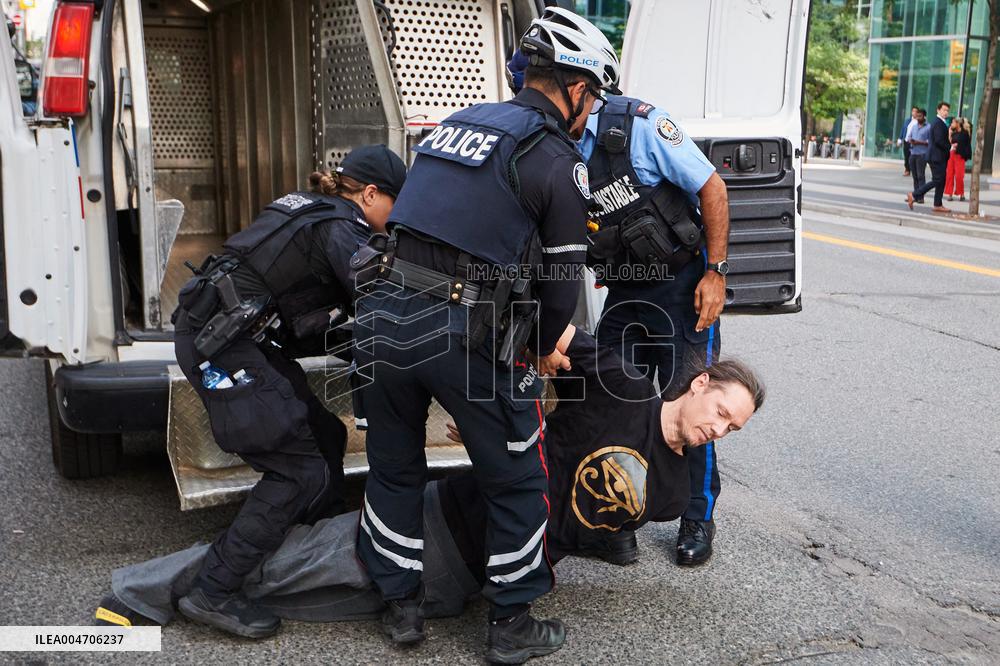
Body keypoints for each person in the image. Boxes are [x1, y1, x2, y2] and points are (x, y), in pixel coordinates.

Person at [96, 326, 764, 635]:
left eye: (732, 428)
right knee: (293, 561)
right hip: (439, 522)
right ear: (700, 384)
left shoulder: (674, 494)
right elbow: (549, 328)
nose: (720, 429)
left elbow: (578, 528)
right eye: (721, 411)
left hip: (462, 587)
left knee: (297, 603)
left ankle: (198, 599)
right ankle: (133, 596)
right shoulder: (621, 384)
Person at [349, 8, 621, 663]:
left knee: (393, 465)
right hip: (462, 332)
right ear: (575, 87)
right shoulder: (557, 160)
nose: (591, 112)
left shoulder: (458, 122)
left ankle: (401, 606)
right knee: (518, 475)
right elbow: (562, 285)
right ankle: (511, 623)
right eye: (593, 97)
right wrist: (541, 350)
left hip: (380, 317)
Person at [505, 49, 734, 567]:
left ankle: (697, 514)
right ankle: (614, 521)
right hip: (625, 290)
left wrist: (716, 273)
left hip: (682, 286)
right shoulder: (548, 140)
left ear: (575, 91)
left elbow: (712, 187)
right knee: (600, 395)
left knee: (691, 403)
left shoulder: (641, 127)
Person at [169, 145, 406, 639]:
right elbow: (381, 298)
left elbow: (302, 313)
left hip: (240, 336)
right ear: (369, 194)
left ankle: (311, 540)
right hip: (221, 345)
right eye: (396, 204)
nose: (398, 217)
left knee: (325, 436)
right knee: (298, 469)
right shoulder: (342, 227)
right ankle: (213, 589)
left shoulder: (314, 208)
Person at [907, 102, 951, 213]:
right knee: (937, 180)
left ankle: (937, 204)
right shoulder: (938, 123)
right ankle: (914, 194)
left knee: (941, 180)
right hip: (936, 157)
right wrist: (949, 146)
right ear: (938, 110)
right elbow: (939, 141)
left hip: (938, 156)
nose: (946, 112)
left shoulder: (940, 122)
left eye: (947, 110)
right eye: (944, 110)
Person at [945, 117, 972, 202]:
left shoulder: (964, 133)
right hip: (951, 155)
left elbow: (966, 145)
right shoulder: (953, 133)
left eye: (953, 123)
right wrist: (949, 134)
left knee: (959, 176)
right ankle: (949, 194)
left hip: (959, 155)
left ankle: (961, 193)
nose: (951, 124)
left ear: (958, 124)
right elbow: (950, 143)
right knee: (949, 174)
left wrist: (958, 145)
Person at [907, 108, 929, 202]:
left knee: (921, 176)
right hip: (913, 153)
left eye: (920, 116)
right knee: (915, 176)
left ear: (924, 116)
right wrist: (911, 140)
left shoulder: (929, 127)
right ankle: (915, 196)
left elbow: (930, 142)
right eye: (917, 116)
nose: (918, 118)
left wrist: (919, 142)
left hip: (922, 154)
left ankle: (921, 197)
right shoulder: (914, 126)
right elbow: (909, 137)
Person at [898, 106, 919, 176]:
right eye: (913, 111)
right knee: (906, 156)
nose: (914, 113)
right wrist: (900, 139)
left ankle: (914, 169)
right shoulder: (908, 121)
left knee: (913, 157)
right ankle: (907, 169)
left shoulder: (919, 122)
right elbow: (903, 129)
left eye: (916, 111)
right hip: (906, 141)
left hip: (914, 142)